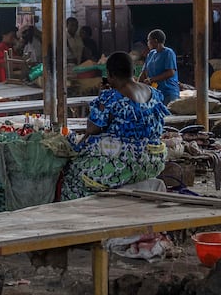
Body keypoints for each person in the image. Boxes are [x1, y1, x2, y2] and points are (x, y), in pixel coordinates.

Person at [61, 52, 168, 200]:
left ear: (111, 75)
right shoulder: (155, 94)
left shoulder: (111, 97)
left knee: (74, 174)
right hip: (153, 161)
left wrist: (102, 97)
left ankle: (86, 218)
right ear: (133, 71)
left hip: (125, 163)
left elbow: (92, 128)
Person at [142, 29, 180, 105]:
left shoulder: (168, 53)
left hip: (168, 92)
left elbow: (171, 72)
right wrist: (137, 85)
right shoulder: (151, 54)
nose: (148, 43)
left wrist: (151, 80)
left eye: (149, 40)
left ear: (155, 41)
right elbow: (144, 72)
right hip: (155, 92)